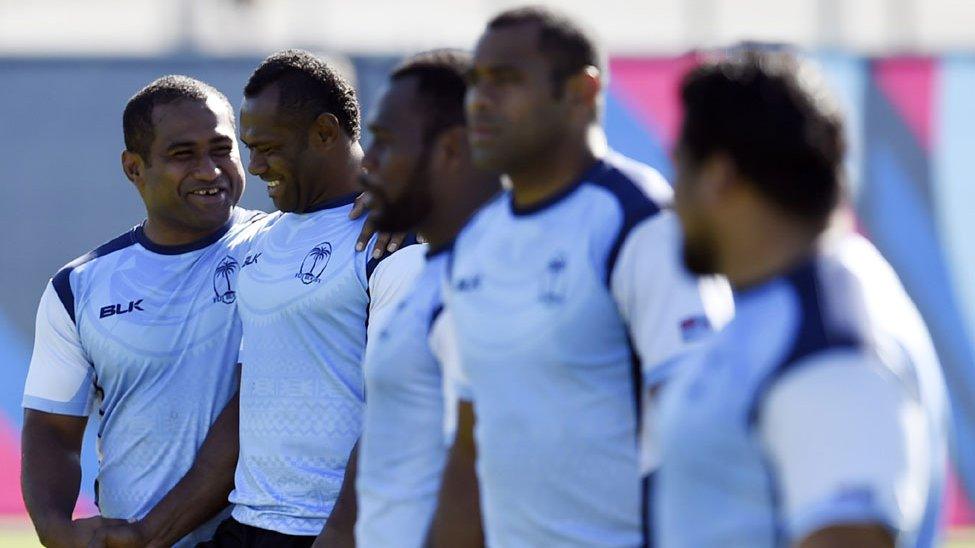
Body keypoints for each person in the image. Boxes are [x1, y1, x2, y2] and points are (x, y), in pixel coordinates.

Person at [437, 7, 732, 547]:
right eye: (475, 82)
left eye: (505, 81)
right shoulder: (477, 241)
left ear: (581, 92)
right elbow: (469, 445)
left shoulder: (643, 223)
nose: (478, 100)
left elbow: (706, 438)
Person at [653, 49, 948, 548]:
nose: (670, 199)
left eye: (678, 168)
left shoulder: (830, 339)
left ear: (719, 176)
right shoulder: (787, 307)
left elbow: (847, 537)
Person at [21, 75, 268, 548]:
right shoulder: (78, 287)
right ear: (134, 168)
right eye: (183, 155)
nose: (210, 170)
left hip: (263, 539)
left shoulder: (285, 247)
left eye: (221, 149)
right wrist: (55, 530)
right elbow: (53, 430)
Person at [353, 49, 499, 548]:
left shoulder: (492, 278)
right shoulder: (422, 270)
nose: (367, 162)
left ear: (452, 150)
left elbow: (483, 469)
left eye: (386, 143)